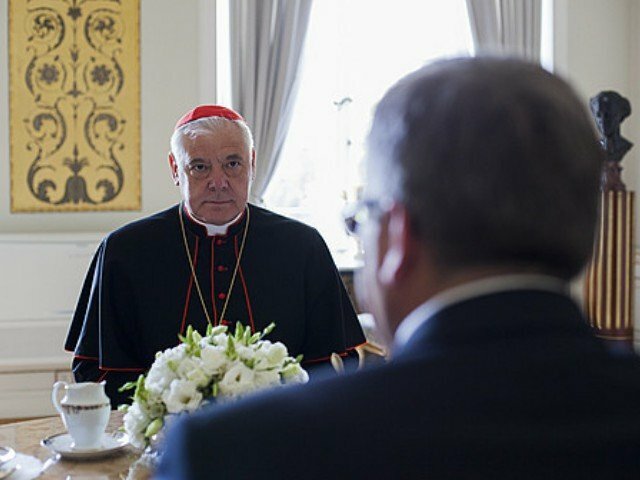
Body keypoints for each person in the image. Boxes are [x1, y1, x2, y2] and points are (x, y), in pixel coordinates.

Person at [156, 57, 640, 479]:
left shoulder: (231, 452)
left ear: (398, 239)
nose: (218, 181)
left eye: (363, 219)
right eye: (201, 167)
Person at [65, 105, 365, 407]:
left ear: (252, 163)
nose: (218, 182)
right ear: (175, 169)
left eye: (232, 164)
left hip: (279, 426)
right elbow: (97, 372)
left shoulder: (303, 246)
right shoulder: (124, 251)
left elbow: (332, 366)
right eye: (199, 167)